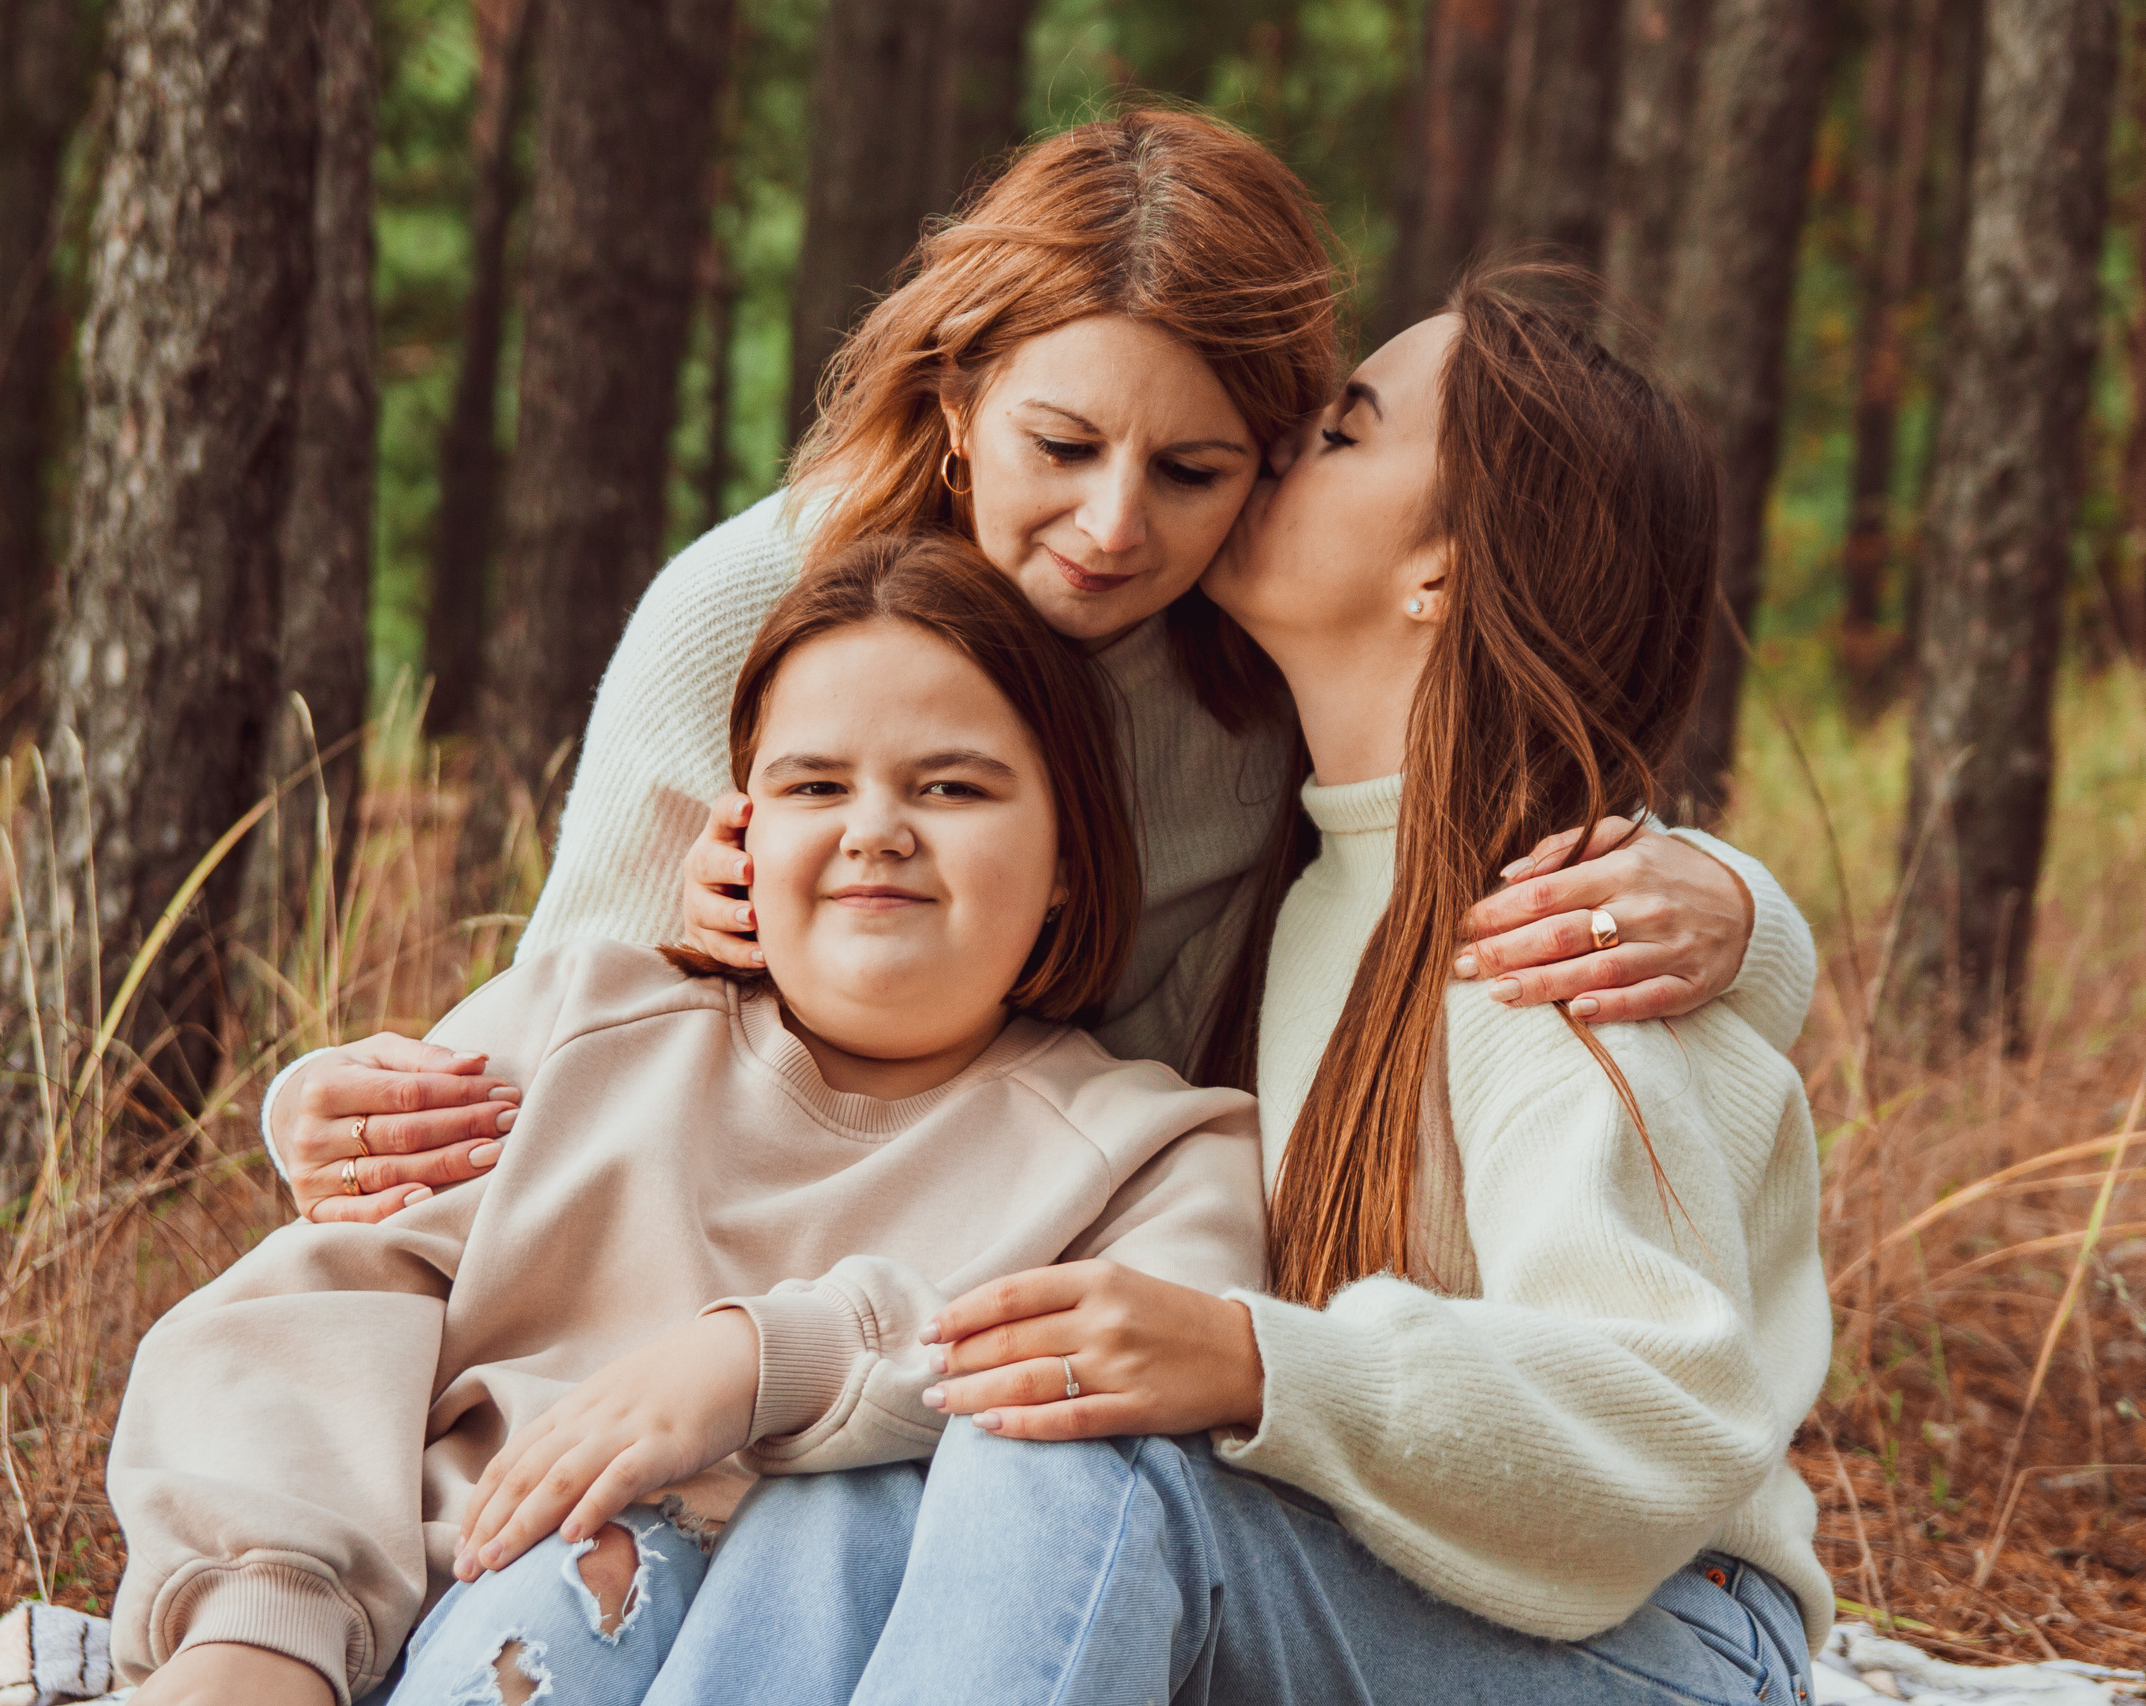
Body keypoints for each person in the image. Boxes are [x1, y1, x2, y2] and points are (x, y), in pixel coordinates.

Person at [616, 273, 1834, 1706]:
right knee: (870, 1482)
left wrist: (1260, 1360)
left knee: (1081, 1458)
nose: (1279, 445)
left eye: (1344, 432)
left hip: (1667, 1639)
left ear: (1439, 572)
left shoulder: (1558, 937)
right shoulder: (1307, 866)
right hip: (1385, 1575)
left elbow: (1667, 1413)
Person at [262, 110, 1808, 1226]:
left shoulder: (1257, 653)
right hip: (730, 1222)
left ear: (1272, 462)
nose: (1115, 527)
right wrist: (326, 1110)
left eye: (1194, 469)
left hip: (1076, 1244)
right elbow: (560, 1015)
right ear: (957, 401)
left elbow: (1477, 830)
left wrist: (1747, 917)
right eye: (1060, 445)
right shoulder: (751, 606)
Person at [111, 534, 1270, 1706]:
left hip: (812, 1657)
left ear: (1068, 852)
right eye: (814, 786)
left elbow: (1127, 1411)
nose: (875, 829)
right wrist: (266, 1622)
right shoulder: (587, 1023)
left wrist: (770, 1356)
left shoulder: (1149, 1153)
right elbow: (320, 1309)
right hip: (402, 1632)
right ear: (740, 831)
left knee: (619, 1555)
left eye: (953, 786)